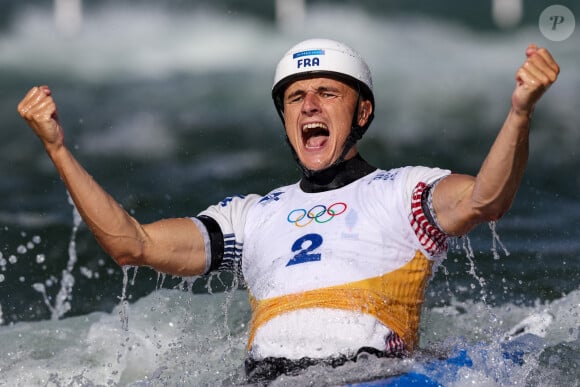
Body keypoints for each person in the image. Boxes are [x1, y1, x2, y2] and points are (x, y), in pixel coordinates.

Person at [18, 38, 559, 382]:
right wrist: (57, 148)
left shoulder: (406, 190)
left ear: (363, 110)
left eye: (327, 93)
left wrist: (518, 113)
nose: (310, 107)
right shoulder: (249, 216)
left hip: (374, 377)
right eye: (296, 97)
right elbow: (129, 244)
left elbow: (487, 200)